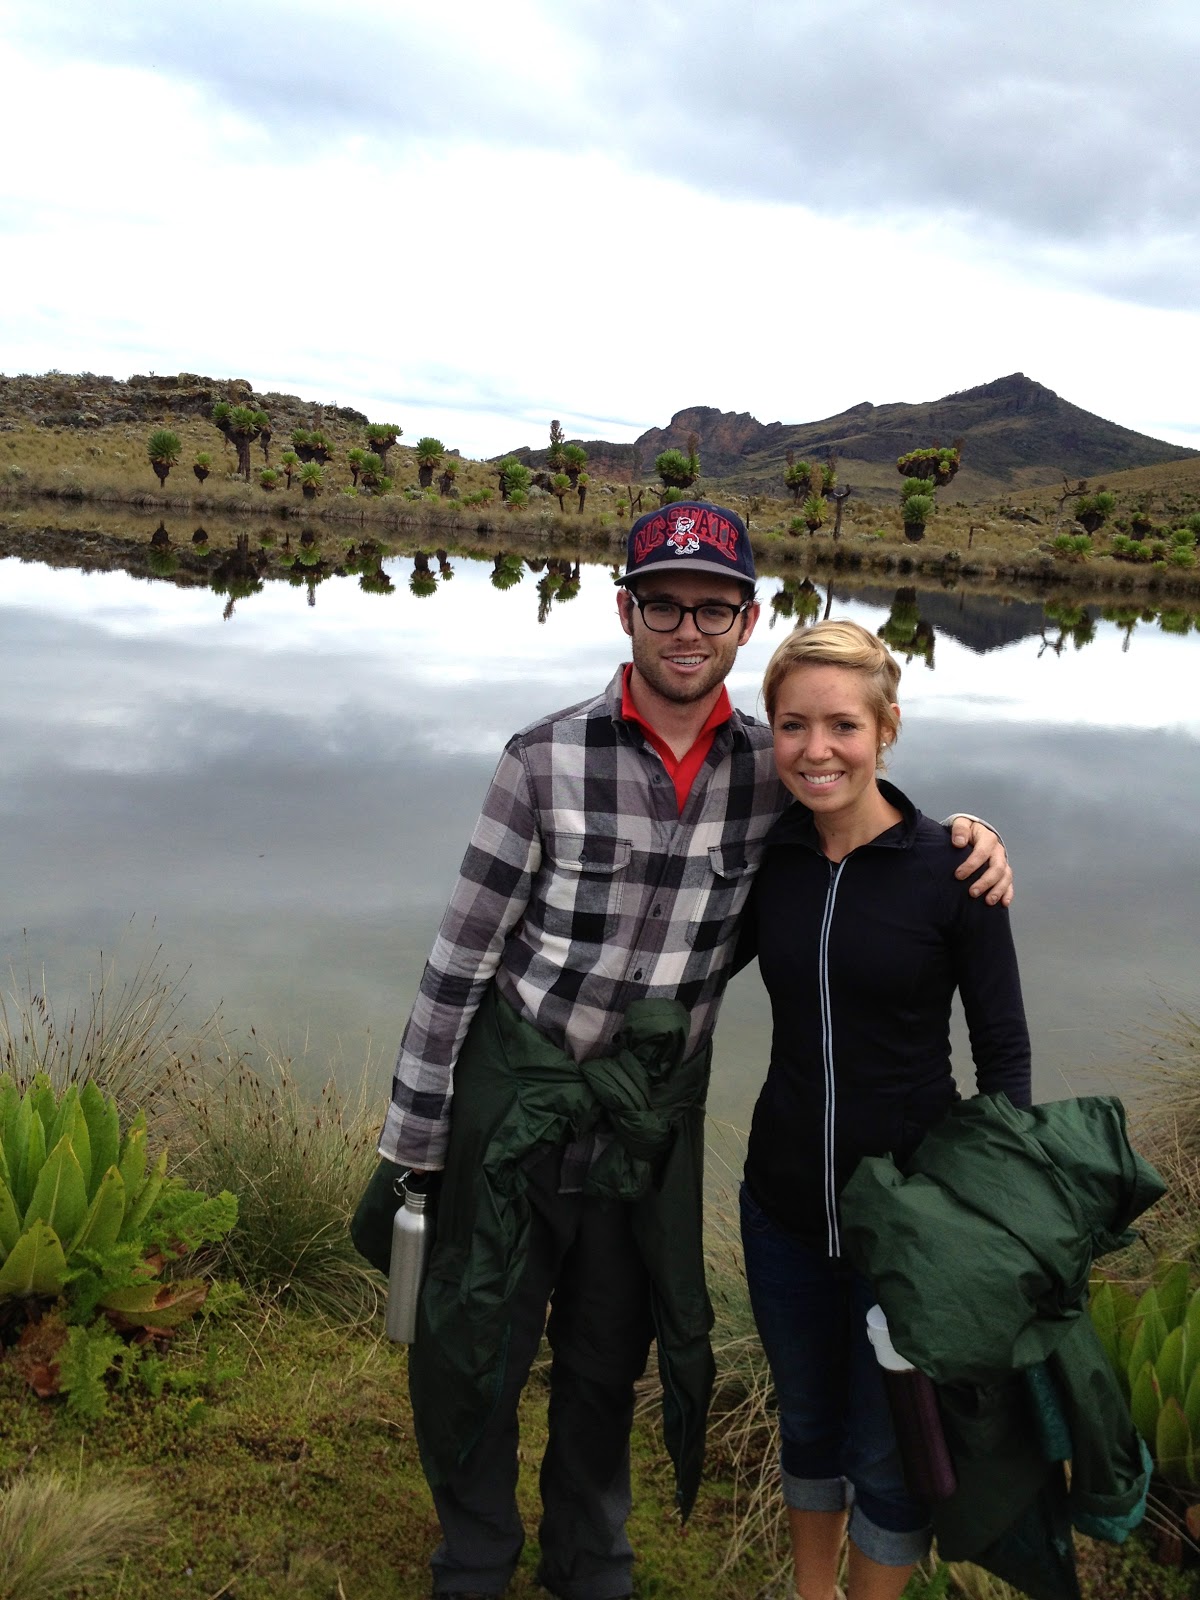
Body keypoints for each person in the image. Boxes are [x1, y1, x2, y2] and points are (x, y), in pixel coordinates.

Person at [377, 504, 1011, 1600]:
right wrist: (416, 1144)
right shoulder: (542, 758)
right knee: (474, 1347)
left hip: (648, 1131)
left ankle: (591, 1561)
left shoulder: (773, 767)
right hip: (517, 1108)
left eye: (712, 609)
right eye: (663, 604)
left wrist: (966, 837)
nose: (686, 629)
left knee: (608, 1357)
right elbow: (460, 958)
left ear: (746, 621)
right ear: (624, 610)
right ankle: (473, 1556)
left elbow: (859, 814)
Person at [738, 619, 1032, 1600]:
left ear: (887, 728)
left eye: (843, 725)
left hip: (912, 1225)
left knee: (892, 1452)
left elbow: (1004, 1056)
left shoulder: (953, 870)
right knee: (808, 1424)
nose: (816, 749)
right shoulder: (771, 856)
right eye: (792, 725)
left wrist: (996, 1217)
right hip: (780, 1209)